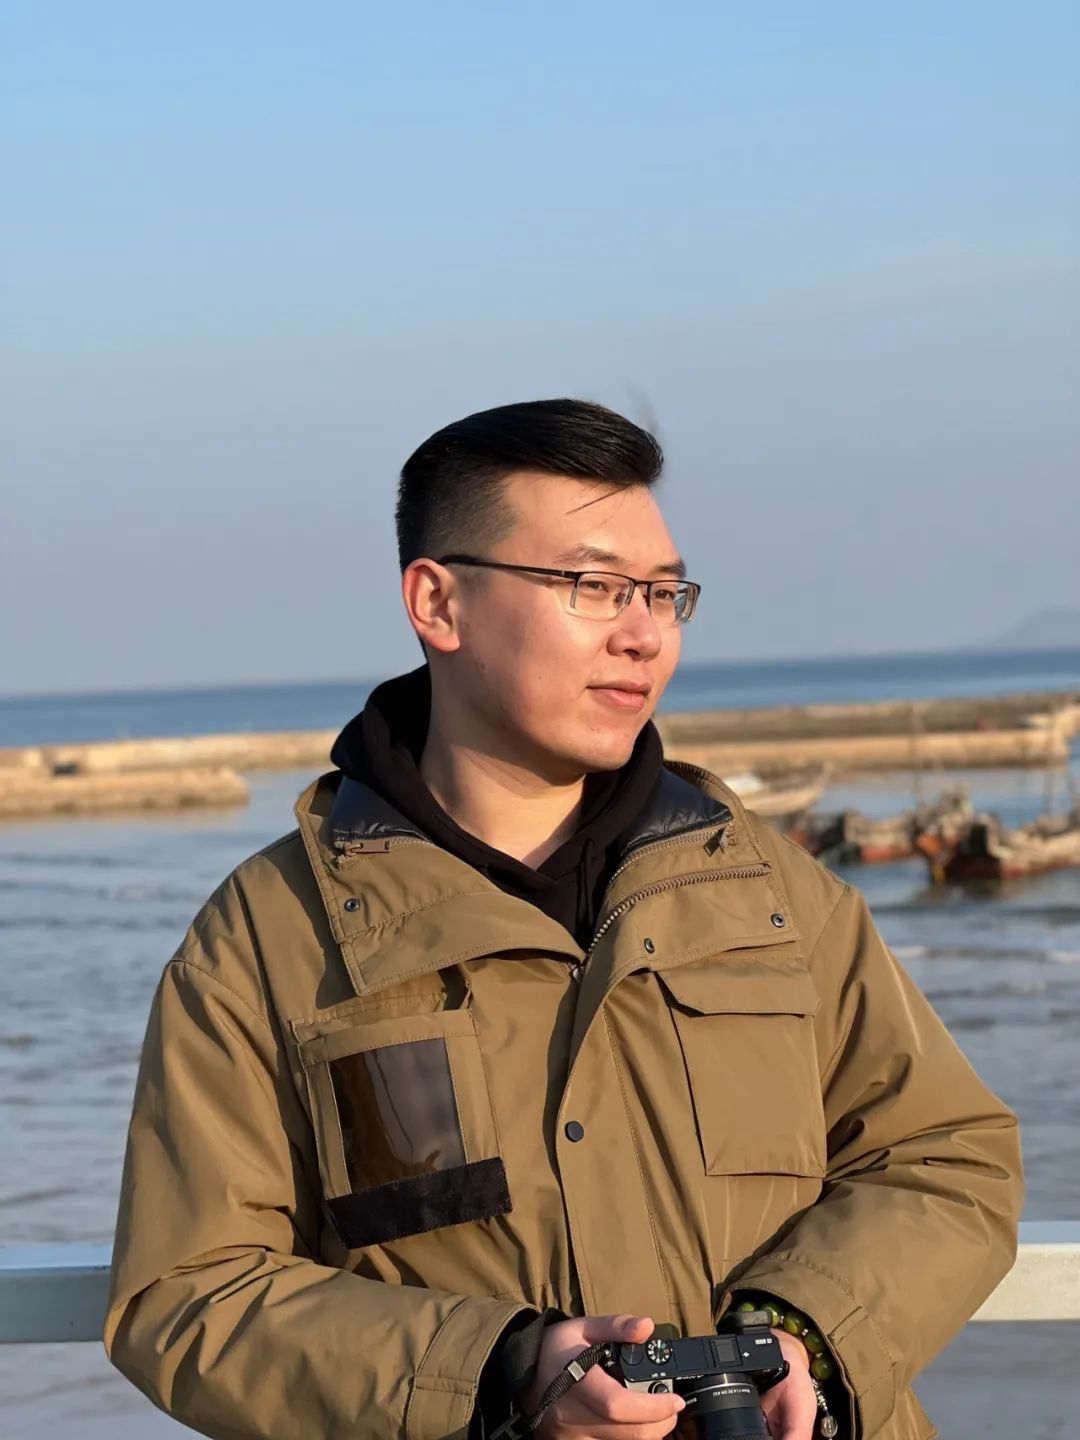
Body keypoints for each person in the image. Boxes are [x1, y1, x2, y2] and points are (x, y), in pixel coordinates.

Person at [104, 399, 1022, 1440]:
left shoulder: (766, 888)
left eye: (665, 593)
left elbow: (946, 1156)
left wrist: (800, 1331)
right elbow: (188, 1292)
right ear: (438, 602)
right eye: (593, 586)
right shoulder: (272, 937)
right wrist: (501, 1374)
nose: (644, 634)